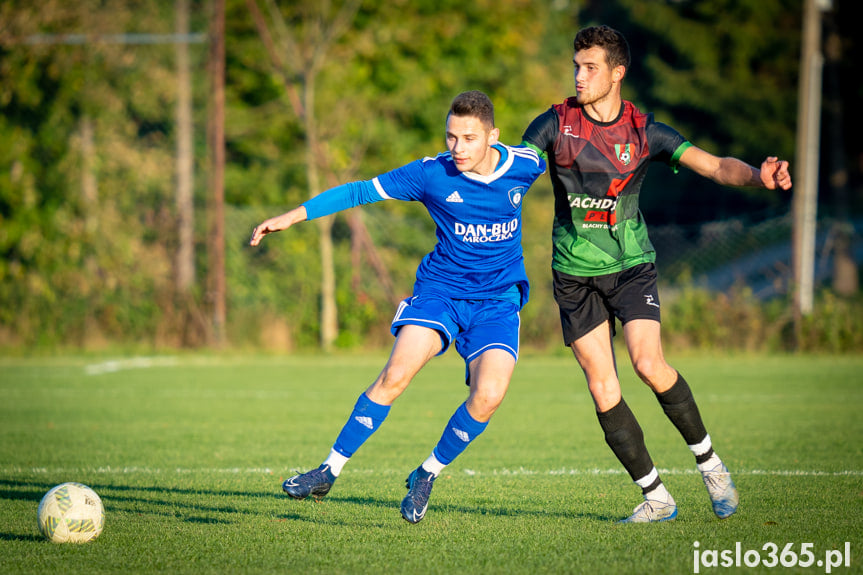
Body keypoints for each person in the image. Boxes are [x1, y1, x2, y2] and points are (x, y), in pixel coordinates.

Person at [521, 25, 792, 523]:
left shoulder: (646, 131)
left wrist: (757, 175)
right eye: (576, 67)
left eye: (590, 68)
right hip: (573, 275)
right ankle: (656, 496)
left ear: (617, 73)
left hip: (630, 267)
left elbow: (713, 167)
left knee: (649, 365)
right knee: (604, 388)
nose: (579, 77)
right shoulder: (553, 125)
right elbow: (518, 169)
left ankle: (710, 465)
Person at [250, 90, 545, 524]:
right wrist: (293, 216)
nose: (457, 148)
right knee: (396, 374)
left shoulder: (524, 165)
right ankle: (327, 470)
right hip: (440, 293)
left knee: (488, 396)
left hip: (497, 303)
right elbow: (359, 192)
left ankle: (427, 474)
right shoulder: (431, 174)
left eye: (468, 138)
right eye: (451, 137)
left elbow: (572, 152)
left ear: (492, 136)